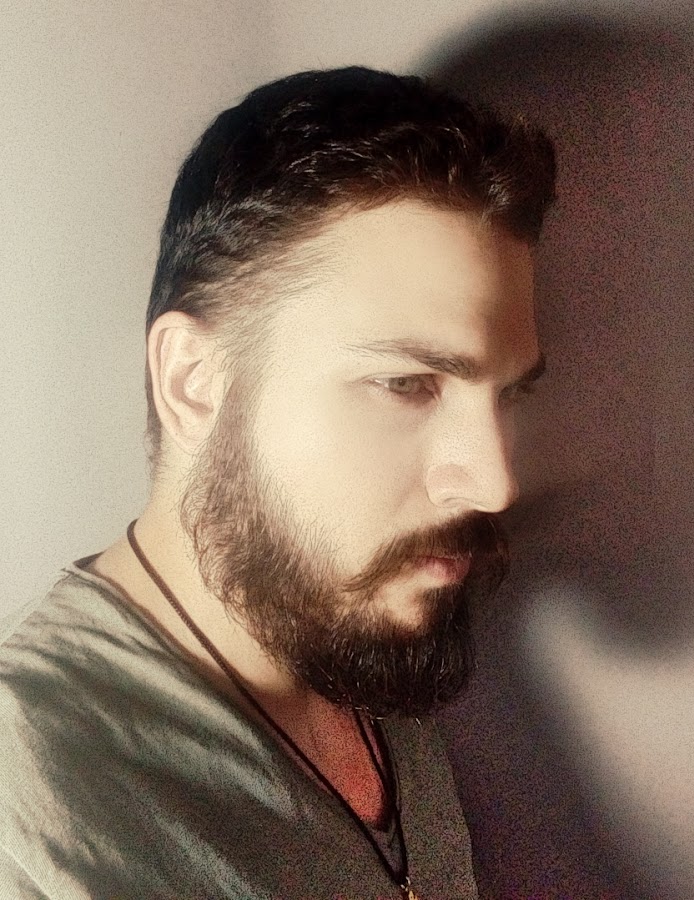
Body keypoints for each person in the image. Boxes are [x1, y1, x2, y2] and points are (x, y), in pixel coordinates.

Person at [0, 67, 555, 898]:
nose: (493, 482)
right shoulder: (27, 816)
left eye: (508, 396)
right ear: (194, 382)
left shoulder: (363, 639)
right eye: (406, 384)